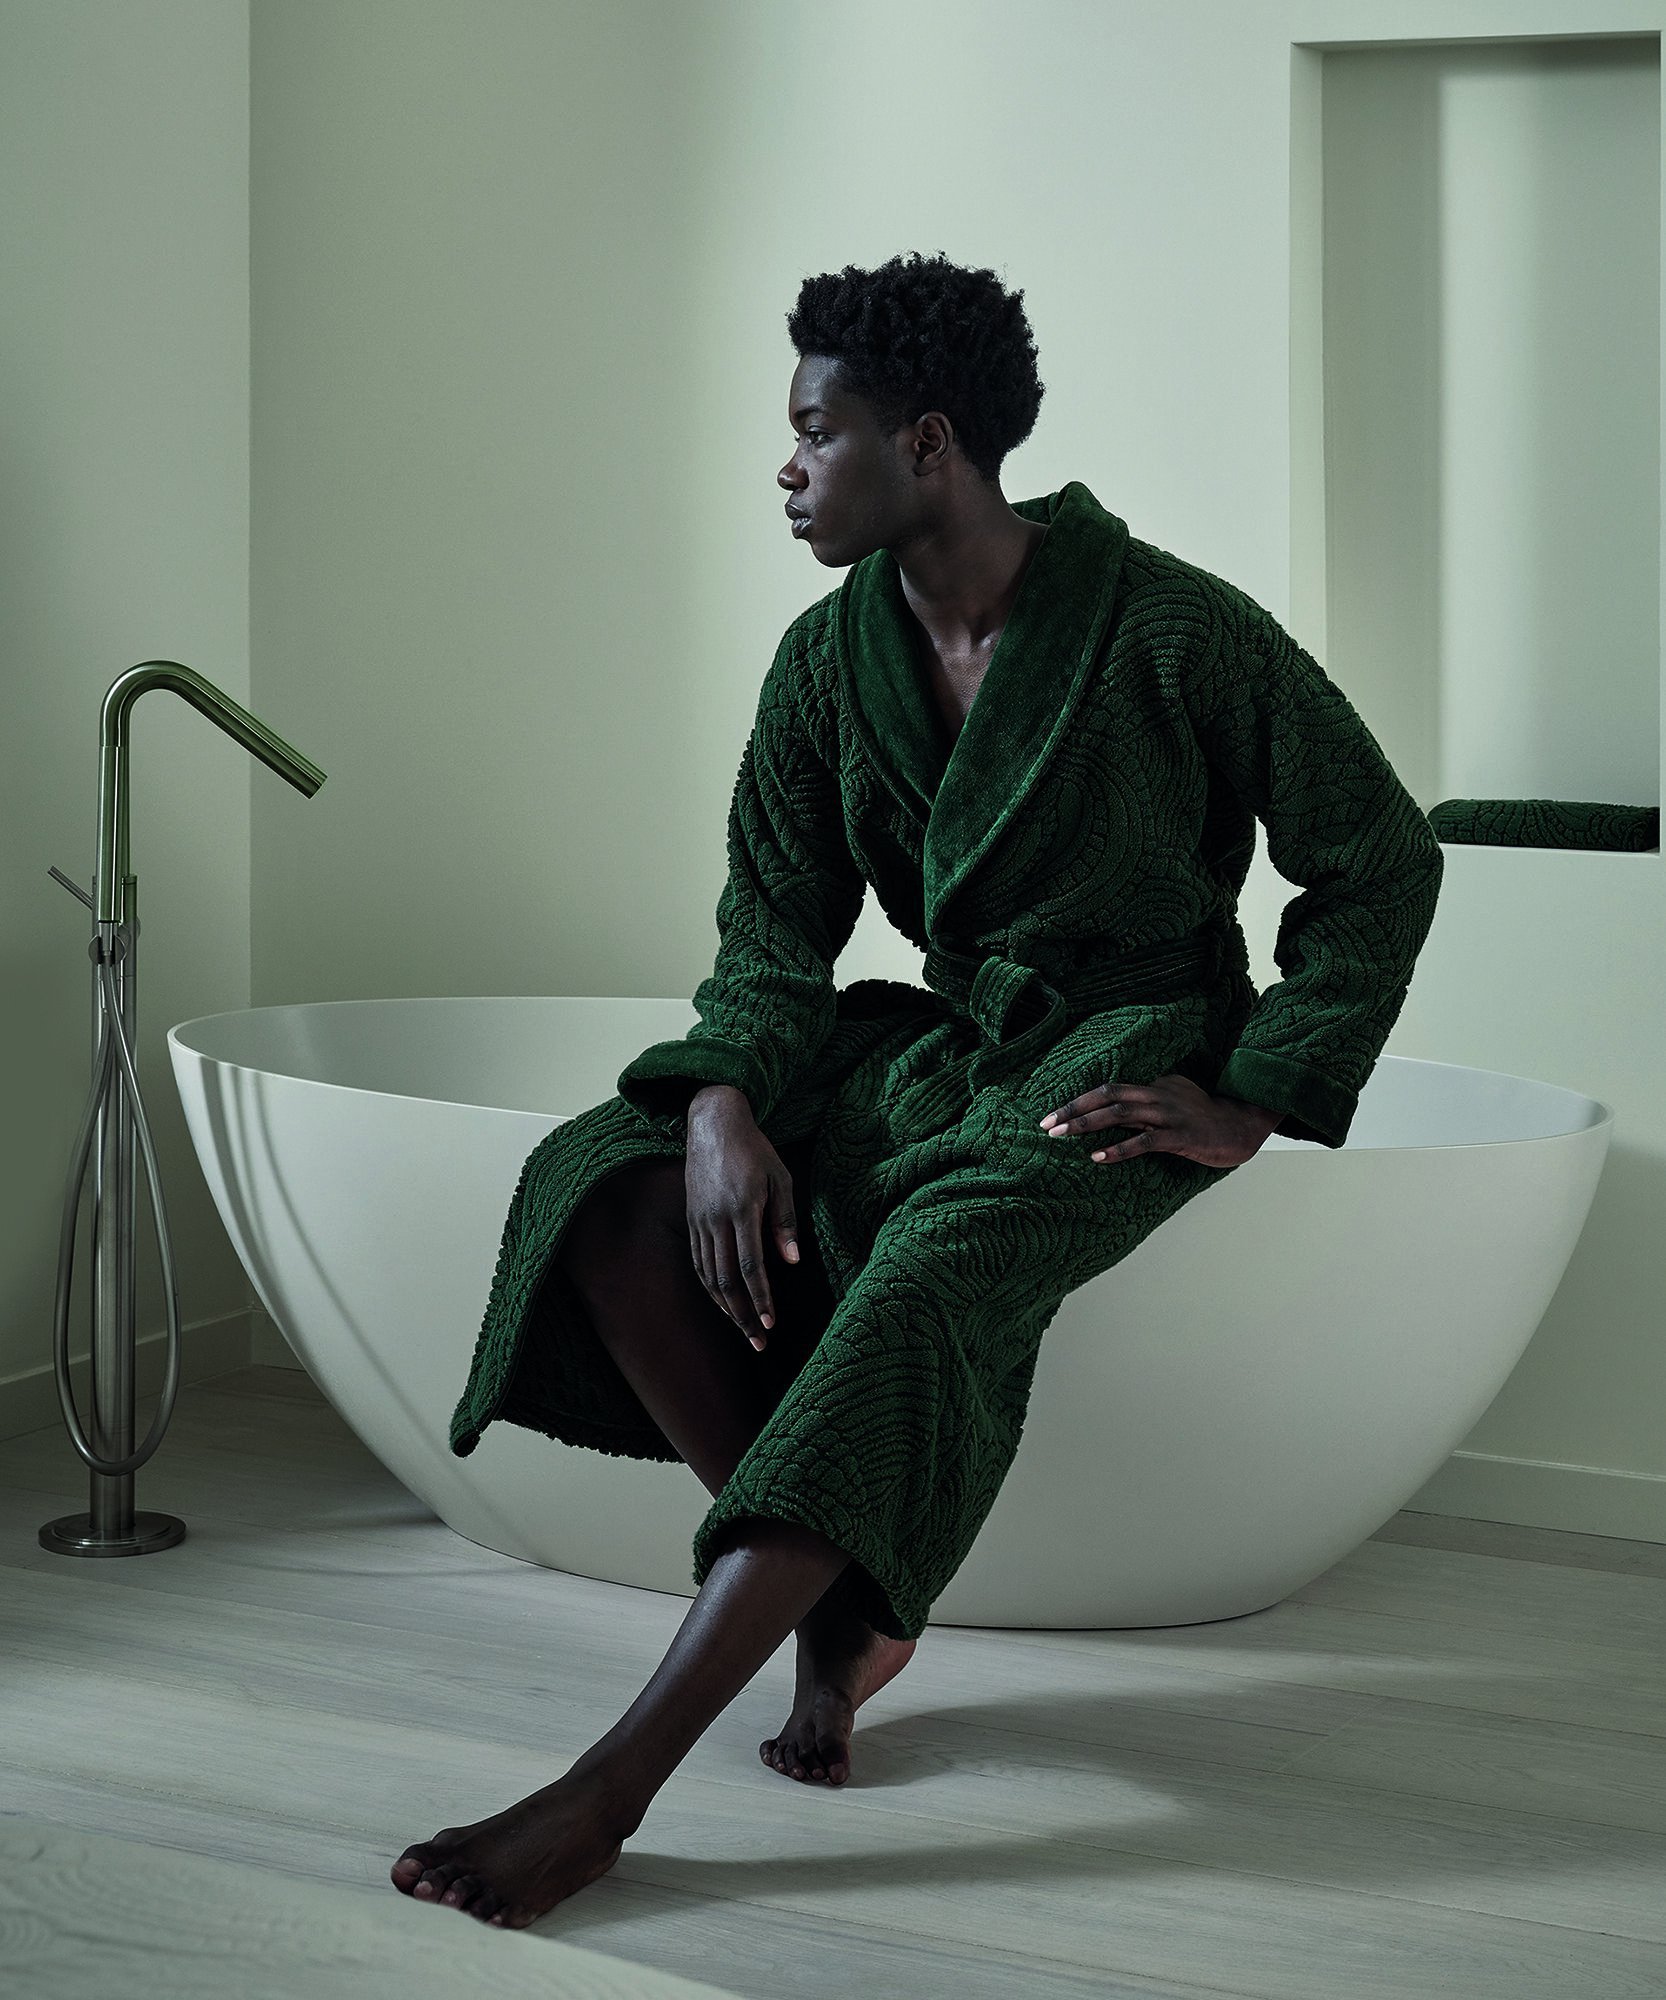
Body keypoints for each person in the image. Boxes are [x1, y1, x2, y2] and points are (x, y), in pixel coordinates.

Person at [392, 252, 1444, 1928]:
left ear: (928, 443)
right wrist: (721, 1104)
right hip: (949, 1042)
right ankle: (846, 1604)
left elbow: (1377, 857)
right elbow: (770, 929)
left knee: (928, 1272)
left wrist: (1250, 1091)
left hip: (1121, 1053)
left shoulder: (1173, 628)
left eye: (817, 433)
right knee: (607, 1180)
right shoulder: (826, 663)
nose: (788, 467)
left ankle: (609, 1787)